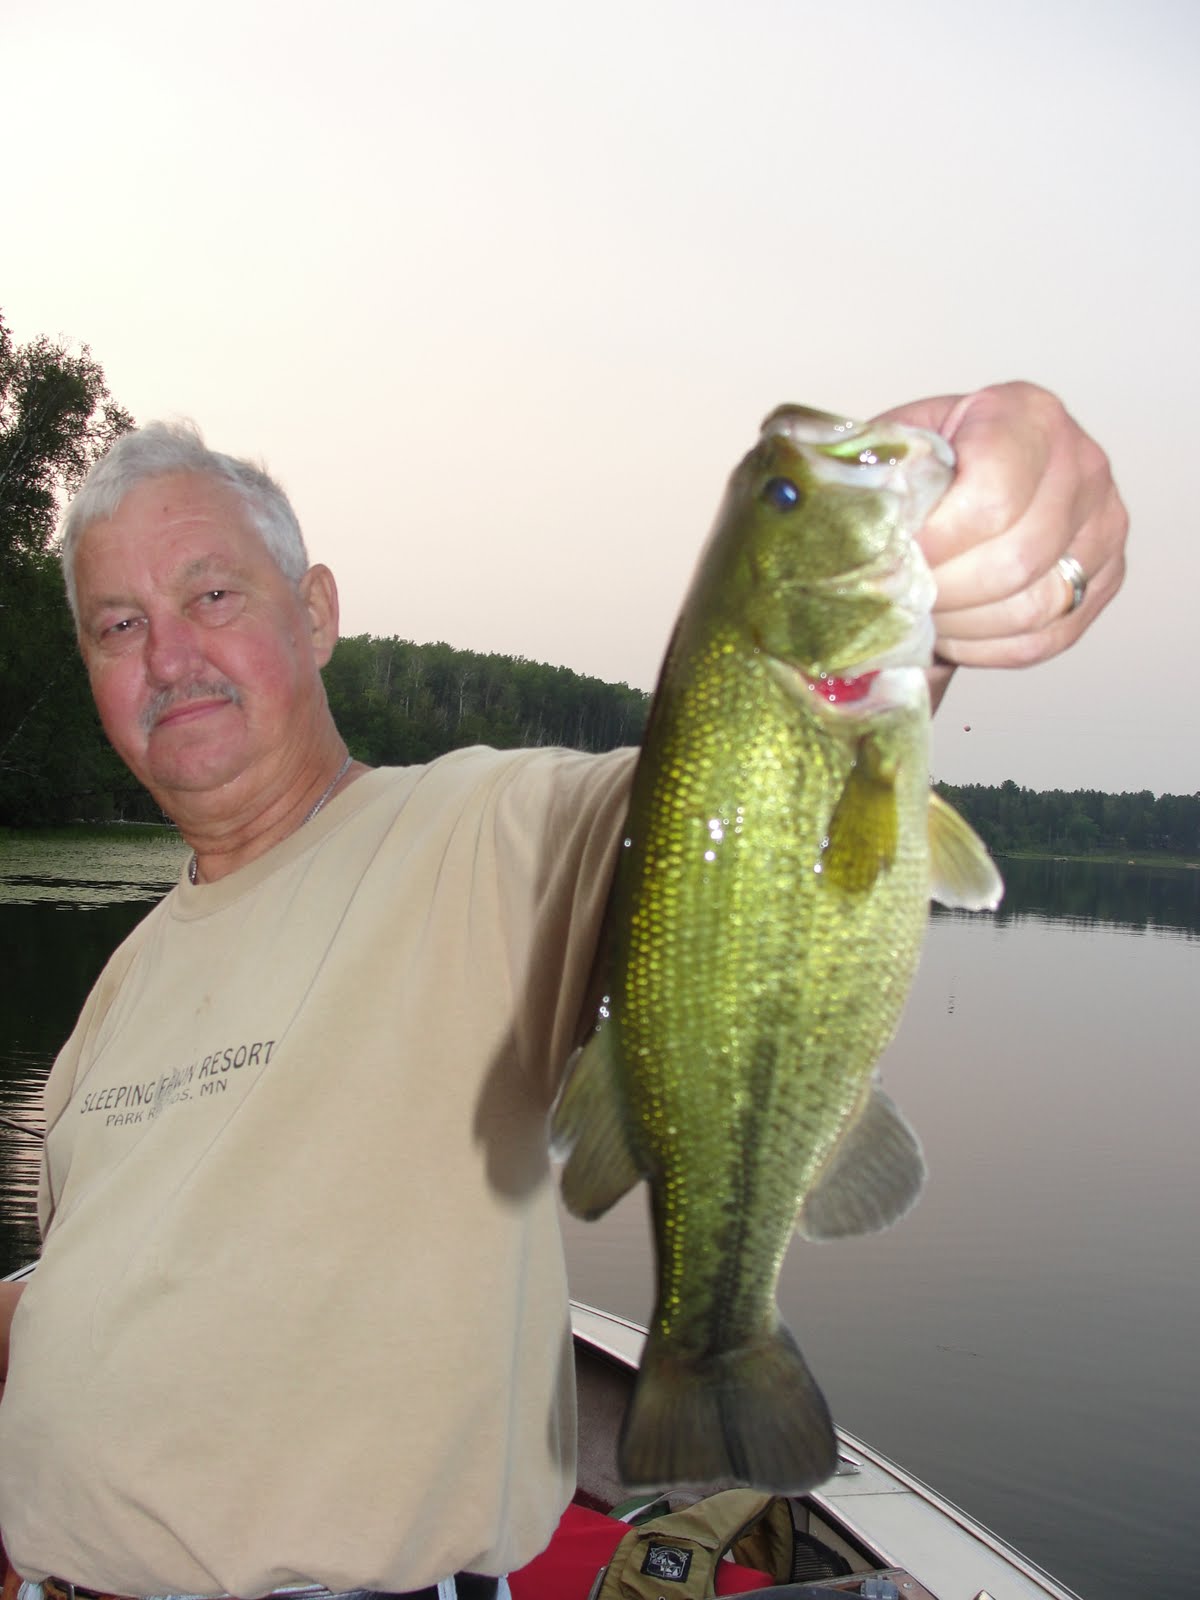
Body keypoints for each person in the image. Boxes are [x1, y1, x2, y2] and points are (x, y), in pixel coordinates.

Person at [0, 383, 1128, 1600]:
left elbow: (728, 800)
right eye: (119, 624)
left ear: (316, 612)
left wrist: (991, 490)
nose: (168, 656)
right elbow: (81, 1287)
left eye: (211, 596)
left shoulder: (474, 833)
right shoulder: (122, 984)